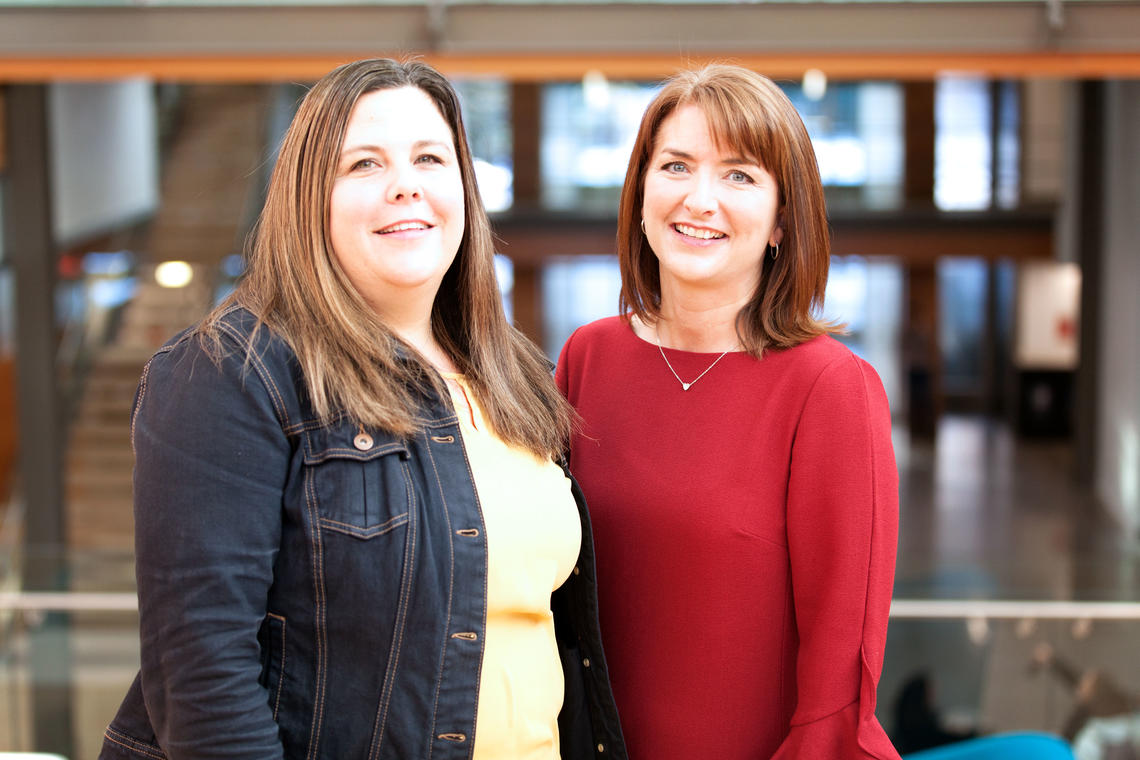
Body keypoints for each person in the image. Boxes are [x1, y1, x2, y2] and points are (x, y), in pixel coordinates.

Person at [100, 58, 625, 760]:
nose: (405, 184)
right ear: (309, 199)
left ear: (463, 189)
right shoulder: (232, 374)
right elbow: (202, 680)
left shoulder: (515, 375)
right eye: (364, 164)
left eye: (430, 158)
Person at [556, 64, 900, 759]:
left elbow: (840, 679)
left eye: (740, 175)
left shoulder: (831, 388)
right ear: (643, 192)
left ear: (781, 221)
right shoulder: (587, 358)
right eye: (677, 165)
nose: (699, 198)